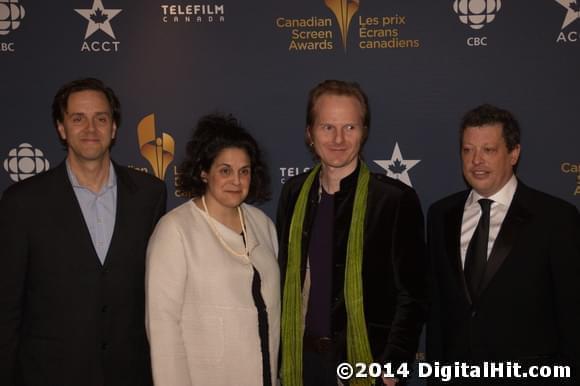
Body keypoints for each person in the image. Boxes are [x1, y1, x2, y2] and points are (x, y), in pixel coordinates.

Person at [0, 78, 167, 386]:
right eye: (78, 119)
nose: (91, 128)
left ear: (114, 128)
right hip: (48, 373)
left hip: (129, 372)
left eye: (101, 118)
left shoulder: (150, 194)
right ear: (61, 129)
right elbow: (7, 306)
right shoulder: (22, 202)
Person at [277, 80, 428, 386]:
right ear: (310, 133)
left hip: (368, 365)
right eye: (327, 127)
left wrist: (393, 367)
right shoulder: (293, 193)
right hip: (302, 362)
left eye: (350, 127)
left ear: (364, 132)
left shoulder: (394, 199)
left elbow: (412, 293)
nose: (338, 139)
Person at [427, 104, 580, 385]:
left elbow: (573, 316)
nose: (476, 161)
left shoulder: (556, 218)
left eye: (489, 150)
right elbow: (437, 310)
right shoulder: (440, 215)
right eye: (468, 150)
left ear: (513, 153)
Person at [146, 113, 280, 386]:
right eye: (225, 170)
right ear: (203, 172)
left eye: (244, 171)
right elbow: (162, 327)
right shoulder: (175, 230)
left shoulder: (262, 225)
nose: (236, 181)